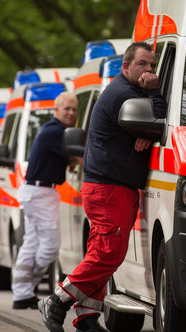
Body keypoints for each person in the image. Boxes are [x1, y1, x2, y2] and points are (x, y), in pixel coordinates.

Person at [38, 42, 167, 332]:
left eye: (152, 66)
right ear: (126, 66)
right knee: (109, 254)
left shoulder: (131, 93)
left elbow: (150, 125)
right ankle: (57, 300)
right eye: (142, 64)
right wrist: (155, 95)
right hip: (110, 189)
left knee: (101, 252)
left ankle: (86, 317)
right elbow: (159, 121)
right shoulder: (124, 93)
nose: (148, 70)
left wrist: (147, 131)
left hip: (109, 187)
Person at [12, 92, 79, 310]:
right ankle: (27, 285)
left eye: (74, 109)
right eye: (67, 109)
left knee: (31, 242)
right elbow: (78, 157)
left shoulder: (53, 131)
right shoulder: (56, 132)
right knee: (50, 247)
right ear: (56, 110)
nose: (71, 113)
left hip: (36, 191)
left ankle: (22, 293)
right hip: (40, 193)